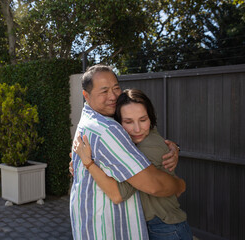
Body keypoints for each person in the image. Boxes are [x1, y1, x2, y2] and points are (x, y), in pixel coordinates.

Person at [70, 64, 185, 240]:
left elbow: (124, 190)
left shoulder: (92, 122)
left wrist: (179, 181)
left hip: (165, 226)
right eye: (104, 91)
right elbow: (120, 193)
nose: (113, 96)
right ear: (86, 95)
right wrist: (84, 164)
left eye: (116, 88)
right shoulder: (109, 129)